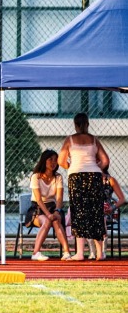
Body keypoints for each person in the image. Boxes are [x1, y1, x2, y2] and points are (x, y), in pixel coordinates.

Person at [57, 112, 109, 261]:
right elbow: (105, 160)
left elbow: (61, 161)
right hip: (94, 177)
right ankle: (100, 253)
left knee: (78, 212)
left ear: (75, 125)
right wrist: (95, 167)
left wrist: (72, 166)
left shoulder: (70, 140)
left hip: (76, 176)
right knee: (95, 212)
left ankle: (80, 253)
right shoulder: (94, 140)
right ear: (87, 124)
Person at [25, 149, 72, 261]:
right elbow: (39, 200)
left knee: (56, 220)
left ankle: (67, 252)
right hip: (37, 208)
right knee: (47, 221)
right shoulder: (35, 177)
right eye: (50, 159)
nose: (53, 162)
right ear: (44, 161)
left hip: (53, 207)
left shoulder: (58, 177)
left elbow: (59, 198)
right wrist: (48, 214)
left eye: (55, 160)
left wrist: (57, 211)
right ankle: (35, 253)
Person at [87, 165, 125, 260]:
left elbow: (122, 199)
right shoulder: (88, 180)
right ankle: (93, 252)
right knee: (88, 216)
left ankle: (102, 251)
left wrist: (112, 208)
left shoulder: (110, 180)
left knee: (100, 216)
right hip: (92, 211)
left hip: (107, 211)